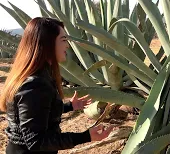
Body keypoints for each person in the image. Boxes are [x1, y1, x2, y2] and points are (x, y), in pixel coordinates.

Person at [0, 17, 114, 154]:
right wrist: (86, 136)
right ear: (47, 43)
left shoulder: (38, 76)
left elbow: (37, 113)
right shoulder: (35, 85)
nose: (67, 45)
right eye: (63, 40)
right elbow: (36, 141)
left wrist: (69, 106)